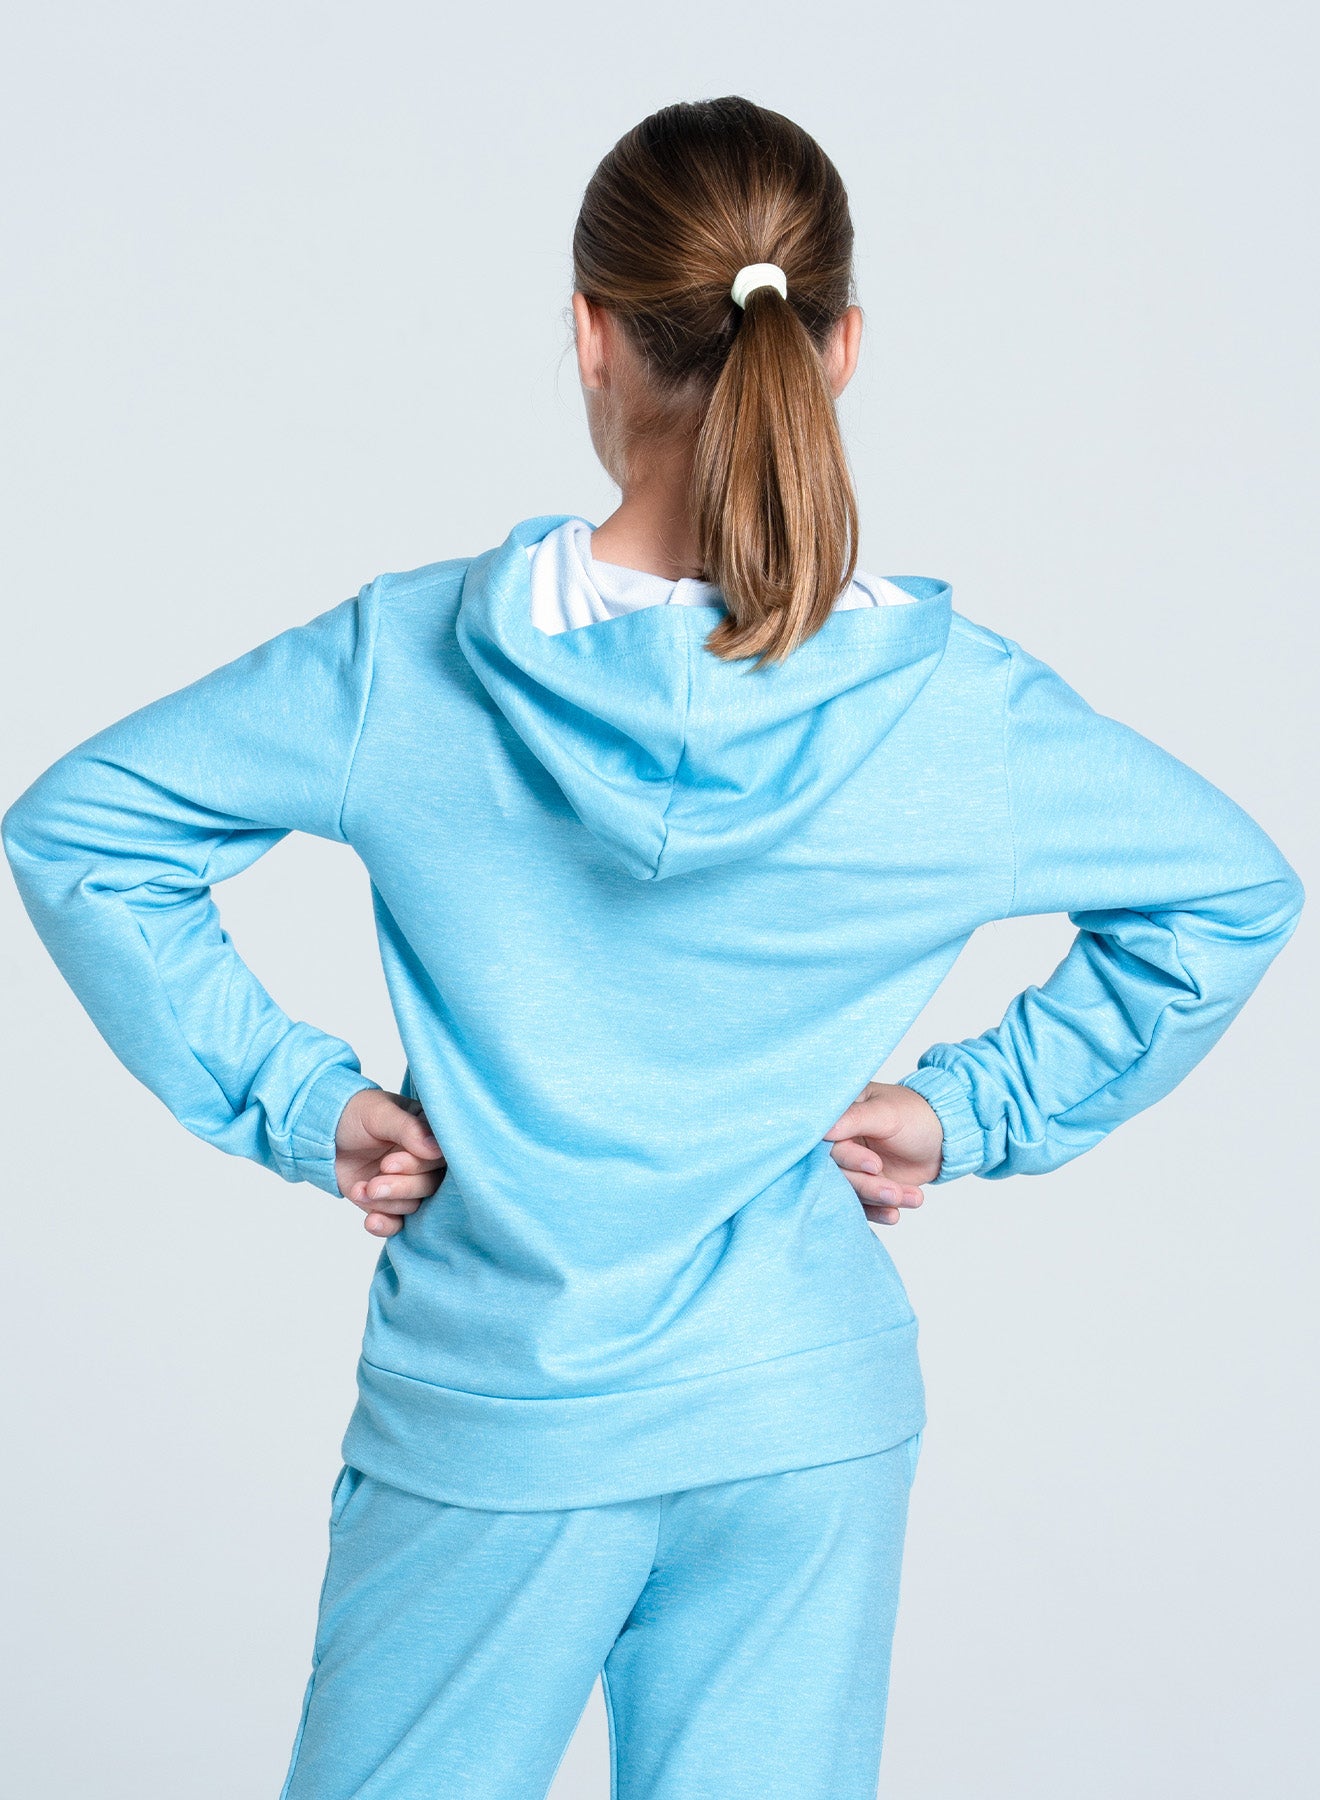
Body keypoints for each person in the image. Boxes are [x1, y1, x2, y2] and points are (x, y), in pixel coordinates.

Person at [2, 95, 1303, 1800]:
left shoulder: (412, 660)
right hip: (798, 1417)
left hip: (501, 1404)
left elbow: (85, 830)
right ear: (841, 348)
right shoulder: (953, 712)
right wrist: (972, 1112)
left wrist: (298, 1101)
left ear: (593, 335)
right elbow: (1227, 893)